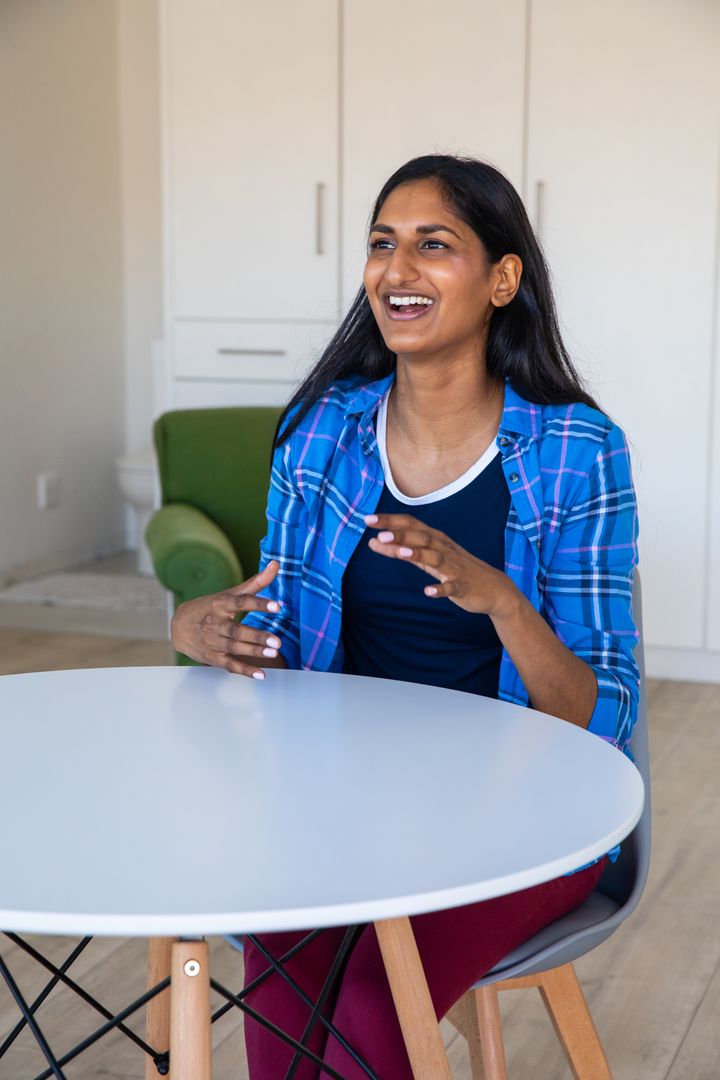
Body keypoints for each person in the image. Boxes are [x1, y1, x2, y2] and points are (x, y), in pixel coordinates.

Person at [171, 154, 640, 1079]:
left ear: (503, 279)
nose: (397, 270)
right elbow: (274, 646)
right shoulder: (322, 429)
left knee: (365, 1002)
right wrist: (196, 631)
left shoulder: (577, 450)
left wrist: (501, 598)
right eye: (382, 245)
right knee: (280, 966)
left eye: (435, 246)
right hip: (339, 807)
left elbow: (600, 712)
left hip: (525, 817)